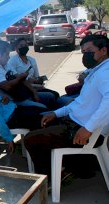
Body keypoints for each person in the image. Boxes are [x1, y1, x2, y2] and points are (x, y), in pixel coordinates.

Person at [24, 35, 109, 180]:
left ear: (103, 50)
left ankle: (52, 179)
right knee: (38, 122)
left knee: (30, 139)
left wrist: (88, 129)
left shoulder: (105, 73)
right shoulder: (96, 70)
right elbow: (79, 103)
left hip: (84, 132)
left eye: (89, 50)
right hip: (75, 122)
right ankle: (76, 167)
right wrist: (56, 114)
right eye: (83, 52)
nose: (85, 55)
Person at [0, 54, 45, 153]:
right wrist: (8, 138)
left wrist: (2, 101)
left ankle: (33, 149)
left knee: (40, 112)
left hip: (10, 112)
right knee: (41, 119)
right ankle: (38, 153)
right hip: (9, 118)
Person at [0, 40, 56, 110]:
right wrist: (20, 77)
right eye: (7, 54)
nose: (8, 57)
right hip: (14, 101)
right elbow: (7, 86)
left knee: (51, 96)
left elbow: (22, 79)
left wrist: (34, 92)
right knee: (43, 108)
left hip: (23, 94)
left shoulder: (6, 64)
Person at [8, 38, 60, 108]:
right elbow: (17, 78)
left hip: (35, 86)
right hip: (25, 88)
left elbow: (37, 77)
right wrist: (29, 80)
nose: (24, 47)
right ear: (16, 47)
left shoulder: (31, 60)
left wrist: (38, 80)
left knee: (56, 94)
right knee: (51, 96)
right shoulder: (12, 61)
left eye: (25, 45)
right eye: (21, 45)